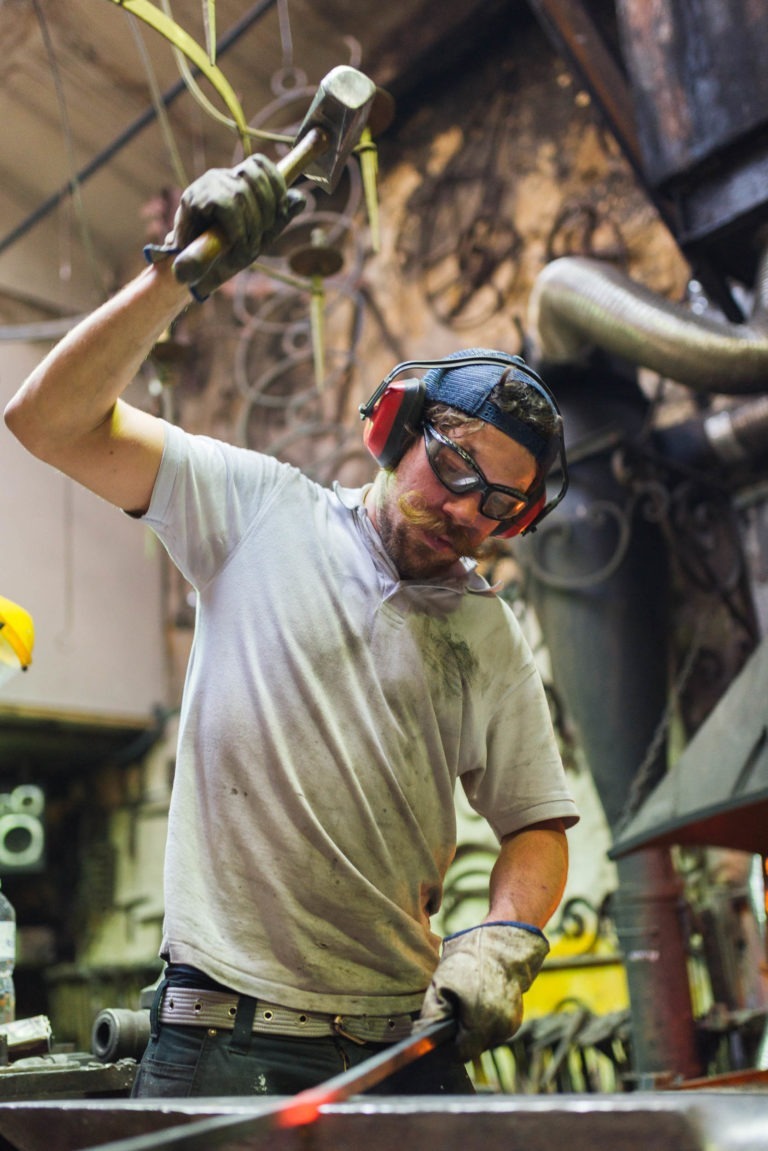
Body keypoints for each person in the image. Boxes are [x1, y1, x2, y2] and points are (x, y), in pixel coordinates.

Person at [4, 154, 579, 1097]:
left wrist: (503, 940)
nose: (471, 513)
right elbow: (49, 422)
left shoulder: (487, 631)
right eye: (457, 470)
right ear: (397, 429)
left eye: (504, 507)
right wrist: (174, 275)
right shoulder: (257, 510)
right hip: (224, 1037)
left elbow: (537, 824)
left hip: (405, 1049)